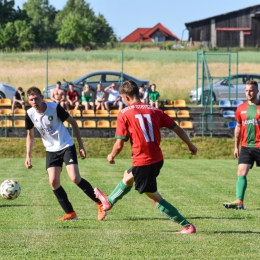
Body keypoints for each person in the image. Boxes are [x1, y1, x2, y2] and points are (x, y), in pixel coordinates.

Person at [94, 80, 198, 234]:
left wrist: (111, 155)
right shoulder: (155, 111)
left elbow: (119, 144)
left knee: (154, 198)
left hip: (144, 161)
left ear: (127, 98)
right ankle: (108, 202)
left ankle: (187, 226)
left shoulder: (124, 113)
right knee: (128, 176)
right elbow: (179, 130)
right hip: (157, 159)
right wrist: (191, 145)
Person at [24, 86, 106, 221]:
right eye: (31, 99)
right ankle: (70, 213)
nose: (34, 102)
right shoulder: (30, 114)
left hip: (66, 145)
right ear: (28, 101)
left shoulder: (54, 108)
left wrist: (81, 145)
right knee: (53, 182)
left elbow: (73, 123)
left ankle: (100, 203)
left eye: (36, 98)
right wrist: (28, 155)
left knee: (75, 178)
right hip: (51, 150)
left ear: (42, 98)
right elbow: (30, 136)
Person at [223, 80, 260, 210]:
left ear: (257, 91)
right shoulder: (241, 108)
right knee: (241, 172)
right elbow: (238, 127)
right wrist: (235, 146)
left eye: (251, 90)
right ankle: (239, 202)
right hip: (246, 146)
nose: (248, 93)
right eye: (246, 90)